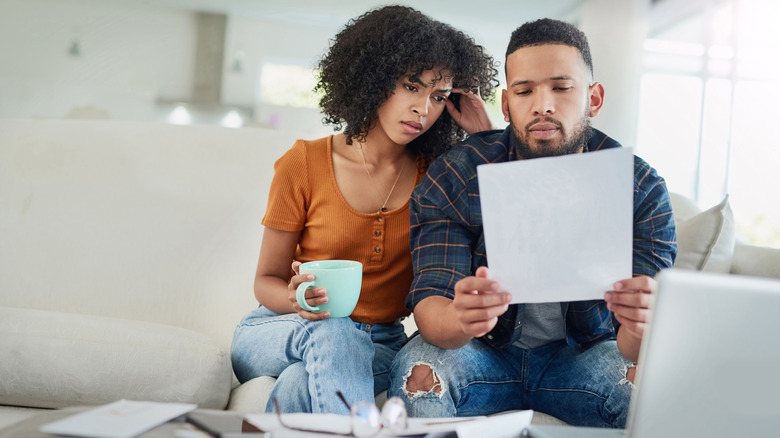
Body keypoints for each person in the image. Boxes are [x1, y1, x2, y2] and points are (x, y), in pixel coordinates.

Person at [386, 18, 677, 428]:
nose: (543, 105)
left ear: (594, 98)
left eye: (562, 88)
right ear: (506, 105)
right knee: (418, 371)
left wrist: (642, 322)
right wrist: (461, 318)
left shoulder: (640, 188)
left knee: (649, 389)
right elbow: (433, 311)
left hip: (584, 356)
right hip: (481, 352)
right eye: (525, 91)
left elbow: (635, 349)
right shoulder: (457, 174)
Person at [230, 5, 498, 415]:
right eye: (411, 86)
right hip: (281, 329)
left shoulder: (437, 175)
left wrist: (485, 138)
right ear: (374, 77)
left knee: (299, 382)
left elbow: (504, 225)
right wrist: (297, 298)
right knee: (333, 328)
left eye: (439, 96)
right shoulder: (304, 163)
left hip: (379, 344)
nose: (423, 109)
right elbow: (266, 281)